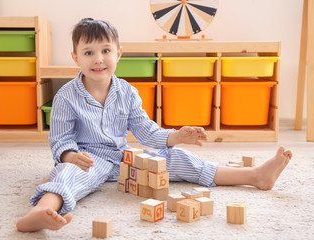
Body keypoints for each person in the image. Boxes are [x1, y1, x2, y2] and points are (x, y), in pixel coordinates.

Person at [16, 18, 292, 232]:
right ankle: (37, 212)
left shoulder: (127, 92)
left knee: (180, 159)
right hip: (89, 159)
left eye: (105, 50)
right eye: (88, 52)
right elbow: (61, 139)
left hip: (123, 158)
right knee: (66, 174)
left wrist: (177, 135)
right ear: (75, 57)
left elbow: (147, 131)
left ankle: (255, 176)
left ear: (118, 54)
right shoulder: (66, 96)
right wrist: (71, 156)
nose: (98, 59)